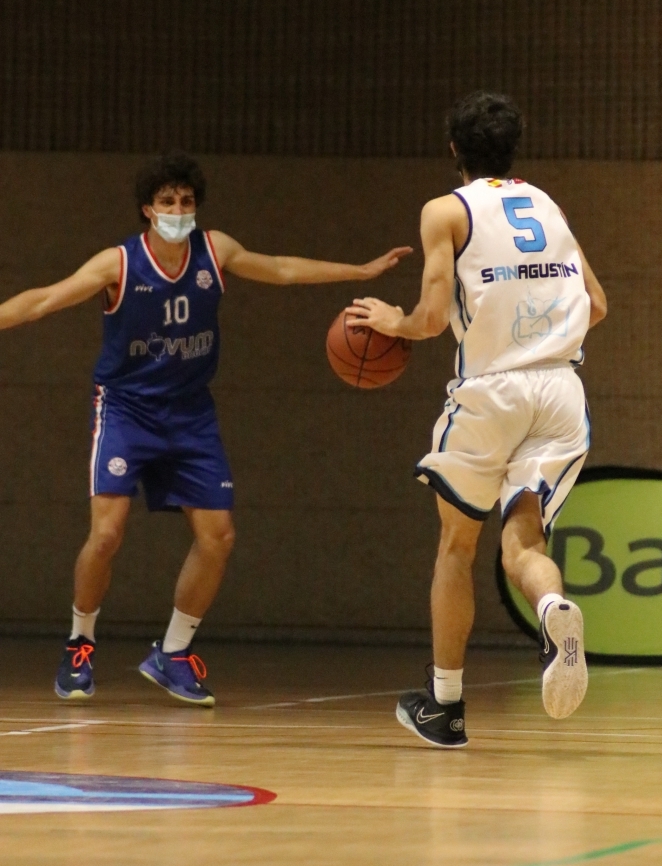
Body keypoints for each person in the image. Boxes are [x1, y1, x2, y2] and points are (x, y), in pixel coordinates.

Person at [0, 152, 411, 706]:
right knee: (107, 534)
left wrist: (359, 272)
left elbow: (282, 269)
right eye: (167, 201)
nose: (178, 210)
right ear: (147, 209)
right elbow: (44, 300)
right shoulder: (118, 263)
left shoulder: (215, 251)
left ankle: (172, 652)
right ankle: (80, 643)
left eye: (186, 201)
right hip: (126, 409)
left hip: (189, 412)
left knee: (219, 537)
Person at [348, 92, 607, 748]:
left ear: (453, 149)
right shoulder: (547, 204)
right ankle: (552, 608)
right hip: (561, 391)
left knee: (457, 547)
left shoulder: (445, 210)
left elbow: (432, 318)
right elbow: (597, 304)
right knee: (523, 545)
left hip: (491, 392)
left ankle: (445, 709)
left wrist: (393, 322)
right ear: (513, 147)